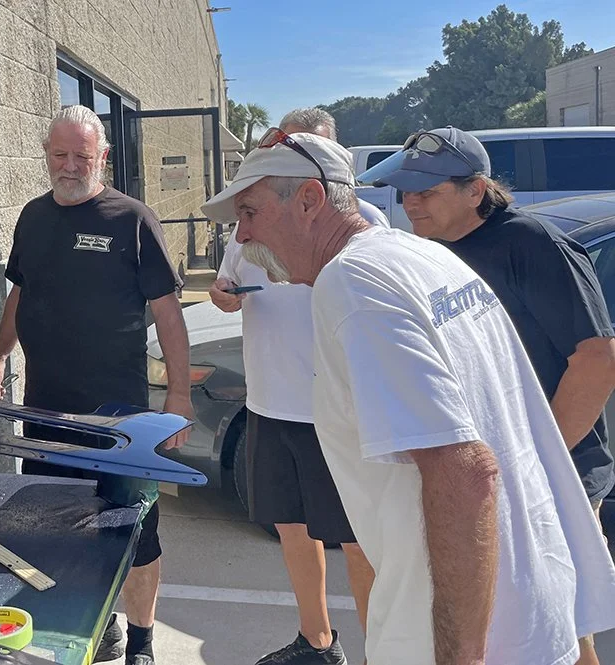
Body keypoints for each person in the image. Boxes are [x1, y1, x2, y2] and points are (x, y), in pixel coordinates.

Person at [201, 131, 615, 665]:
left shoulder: (354, 283)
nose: (244, 234)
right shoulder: (419, 255)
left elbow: (465, 470)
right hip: (531, 607)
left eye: (250, 211)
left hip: (476, 636)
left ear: (309, 199)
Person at [370, 125, 615, 665]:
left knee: (565, 631)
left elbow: (598, 358)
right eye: (404, 191)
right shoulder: (432, 251)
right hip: (489, 470)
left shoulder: (531, 243)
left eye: (427, 191)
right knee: (512, 630)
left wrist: (539, 459)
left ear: (476, 190)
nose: (410, 203)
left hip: (557, 468)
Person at [0, 105, 194, 665]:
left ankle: (142, 640)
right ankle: (98, 631)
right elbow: (20, 294)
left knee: (135, 532)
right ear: (47, 156)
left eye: (82, 155)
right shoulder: (32, 217)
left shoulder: (132, 219)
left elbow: (168, 312)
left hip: (119, 420)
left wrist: (179, 396)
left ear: (103, 156)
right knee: (58, 527)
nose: (70, 165)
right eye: (59, 155)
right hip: (47, 412)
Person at [208, 107, 382, 665]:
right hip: (268, 399)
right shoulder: (252, 220)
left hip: (333, 410)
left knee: (358, 540)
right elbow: (226, 281)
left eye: (307, 147)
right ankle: (318, 642)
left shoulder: (366, 227)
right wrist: (223, 294)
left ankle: (384, 648)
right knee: (290, 526)